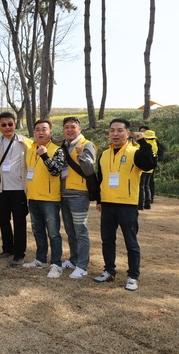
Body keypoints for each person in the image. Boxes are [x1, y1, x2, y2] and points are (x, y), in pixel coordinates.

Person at [93, 118, 156, 291]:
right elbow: (101, 179)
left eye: (120, 130)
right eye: (112, 130)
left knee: (131, 242)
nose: (115, 134)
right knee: (107, 240)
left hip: (127, 204)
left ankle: (133, 276)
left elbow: (150, 163)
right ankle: (109, 271)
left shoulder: (135, 152)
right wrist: (99, 199)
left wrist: (143, 142)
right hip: (107, 204)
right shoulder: (104, 154)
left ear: (127, 133)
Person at [0, 112, 31, 268]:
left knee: (19, 222)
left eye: (10, 124)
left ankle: (19, 254)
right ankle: (7, 248)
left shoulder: (25, 143)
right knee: (3, 219)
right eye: (3, 125)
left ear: (15, 124)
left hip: (19, 189)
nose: (7, 127)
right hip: (1, 189)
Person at [23, 119, 65, 278]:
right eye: (37, 129)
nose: (41, 132)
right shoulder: (30, 149)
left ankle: (56, 263)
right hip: (33, 196)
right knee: (38, 230)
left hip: (49, 199)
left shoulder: (57, 150)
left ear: (50, 132)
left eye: (44, 129)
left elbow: (56, 171)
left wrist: (45, 155)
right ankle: (40, 259)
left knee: (53, 233)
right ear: (34, 133)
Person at [60, 117, 96, 279]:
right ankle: (74, 260)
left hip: (79, 194)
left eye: (73, 127)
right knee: (70, 231)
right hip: (64, 193)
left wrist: (81, 154)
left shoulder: (87, 145)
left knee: (81, 231)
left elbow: (88, 170)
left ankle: (82, 265)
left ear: (80, 129)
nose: (69, 130)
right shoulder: (64, 146)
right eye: (66, 127)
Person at [137, 126, 158, 210]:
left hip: (143, 168)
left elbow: (139, 150)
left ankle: (141, 204)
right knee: (147, 186)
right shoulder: (154, 144)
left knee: (141, 186)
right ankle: (147, 203)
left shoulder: (147, 145)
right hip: (150, 170)